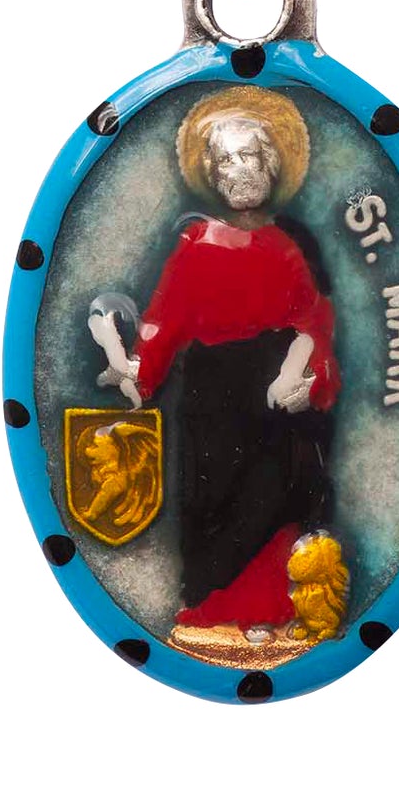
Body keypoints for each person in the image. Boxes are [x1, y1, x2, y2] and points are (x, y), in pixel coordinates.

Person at [92, 87, 343, 639]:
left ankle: (270, 611)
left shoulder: (290, 245)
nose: (239, 168)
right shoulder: (197, 243)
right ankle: (213, 614)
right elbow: (163, 322)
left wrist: (302, 373)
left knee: (271, 502)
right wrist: (133, 367)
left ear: (270, 164)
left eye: (248, 155)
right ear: (211, 172)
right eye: (226, 159)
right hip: (211, 403)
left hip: (274, 401)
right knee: (215, 507)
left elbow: (315, 324)